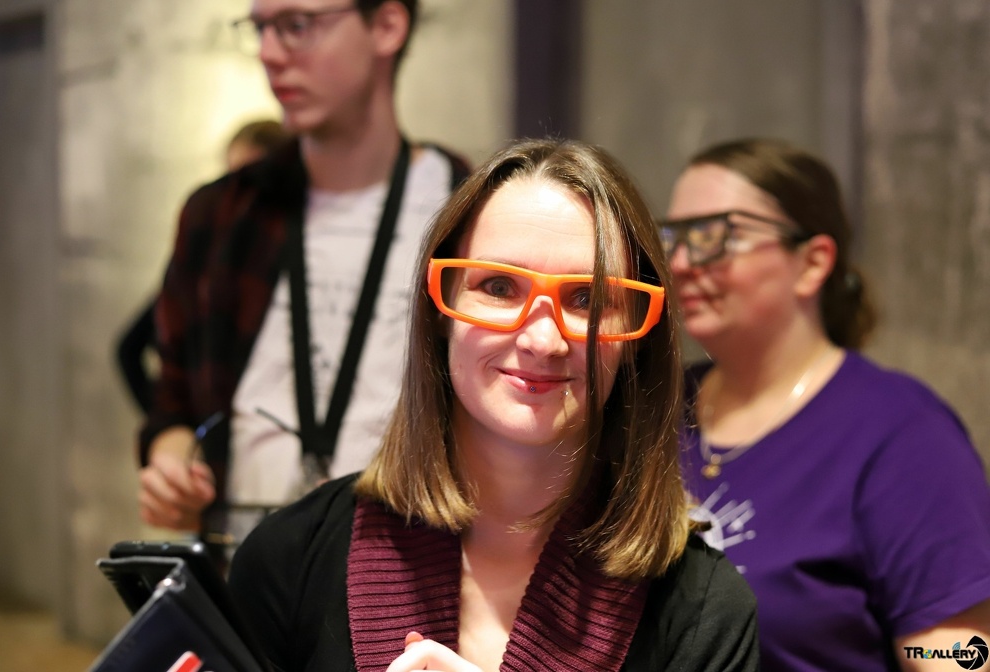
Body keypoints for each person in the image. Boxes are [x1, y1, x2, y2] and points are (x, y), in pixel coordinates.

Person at [227, 138, 759, 672]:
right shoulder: (288, 559)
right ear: (440, 308)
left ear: (638, 337)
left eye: (588, 299)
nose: (542, 341)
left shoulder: (705, 610)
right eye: (500, 287)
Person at [136, 0, 470, 557]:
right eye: (260, 29)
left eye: (296, 26)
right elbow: (175, 402)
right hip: (244, 567)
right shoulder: (223, 214)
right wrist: (172, 464)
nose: (269, 54)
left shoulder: (466, 210)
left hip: (411, 570)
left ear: (386, 26)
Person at [662, 137, 990, 671]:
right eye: (673, 237)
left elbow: (962, 655)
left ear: (812, 263)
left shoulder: (902, 432)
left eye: (714, 236)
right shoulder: (651, 408)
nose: (679, 263)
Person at [116, 119, 292, 414]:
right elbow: (130, 348)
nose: (237, 192)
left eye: (250, 177)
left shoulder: (291, 251)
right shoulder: (207, 255)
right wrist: (171, 425)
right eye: (230, 176)